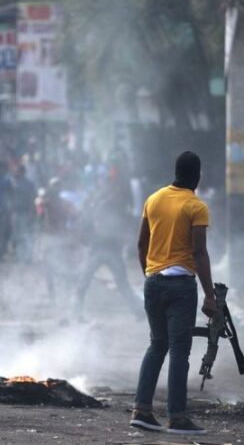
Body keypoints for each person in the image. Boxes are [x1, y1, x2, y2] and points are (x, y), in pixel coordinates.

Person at [131, 151, 218, 435]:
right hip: (181, 286)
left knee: (157, 345)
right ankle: (177, 417)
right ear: (197, 176)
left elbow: (141, 244)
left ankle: (142, 411)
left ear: (176, 171)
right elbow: (199, 252)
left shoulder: (153, 199)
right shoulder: (196, 206)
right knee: (179, 351)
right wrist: (210, 295)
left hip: (153, 282)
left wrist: (150, 275)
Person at [75, 172, 141, 320]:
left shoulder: (111, 204)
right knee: (84, 282)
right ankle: (76, 313)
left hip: (108, 249)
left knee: (120, 283)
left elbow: (122, 224)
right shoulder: (100, 203)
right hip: (99, 249)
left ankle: (138, 311)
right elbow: (86, 222)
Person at [10, 165, 37, 261]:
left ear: (23, 173)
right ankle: (17, 254)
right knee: (15, 234)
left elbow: (32, 199)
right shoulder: (12, 182)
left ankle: (26, 255)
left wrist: (31, 212)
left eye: (18, 171)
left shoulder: (29, 185)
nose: (16, 173)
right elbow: (9, 197)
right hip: (14, 212)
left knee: (24, 234)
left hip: (24, 212)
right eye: (16, 171)